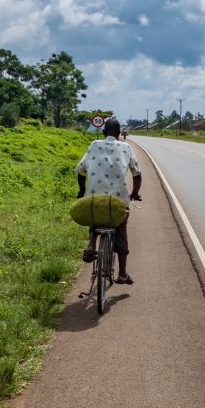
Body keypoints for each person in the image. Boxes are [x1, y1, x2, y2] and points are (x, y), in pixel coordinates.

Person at [76, 118, 142, 284]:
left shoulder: (94, 144)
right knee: (121, 229)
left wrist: (82, 191)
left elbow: (80, 170)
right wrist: (134, 193)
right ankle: (122, 274)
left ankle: (92, 244)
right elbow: (137, 174)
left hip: (94, 199)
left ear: (104, 132)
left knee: (94, 214)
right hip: (118, 201)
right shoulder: (126, 147)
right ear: (119, 134)